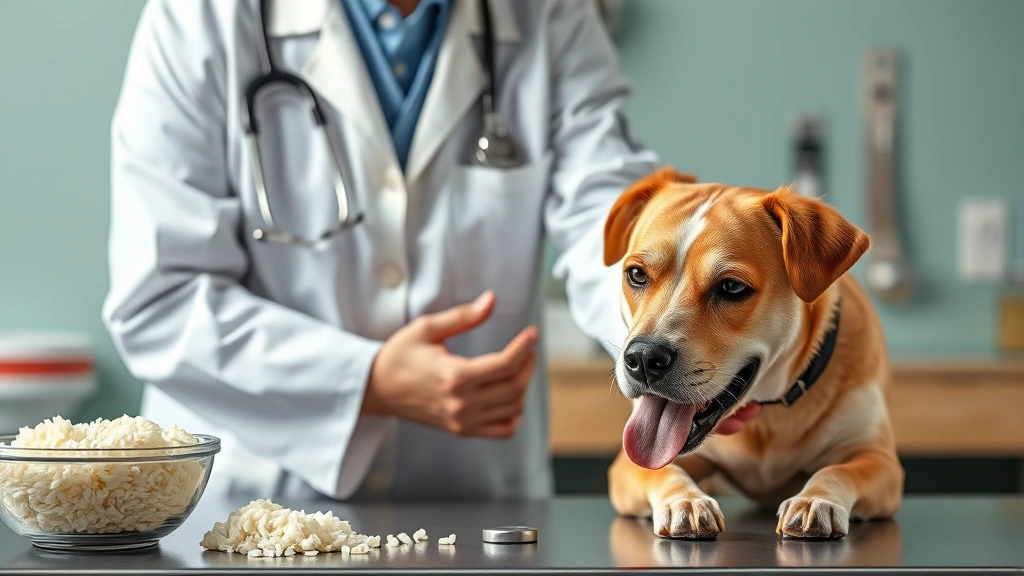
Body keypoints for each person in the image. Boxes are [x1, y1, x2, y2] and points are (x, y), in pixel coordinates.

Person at [103, 0, 754, 502]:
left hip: (470, 506)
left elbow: (609, 220)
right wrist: (365, 382)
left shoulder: (548, 14)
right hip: (247, 502)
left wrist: (677, 345)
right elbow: (160, 298)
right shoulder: (202, 17)